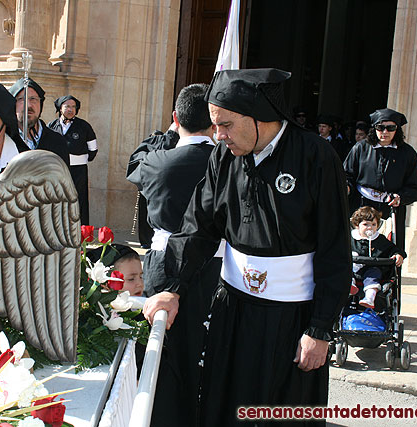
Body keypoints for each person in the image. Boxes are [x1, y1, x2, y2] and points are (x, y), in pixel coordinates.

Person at [142, 68, 351, 427]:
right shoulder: (224, 157)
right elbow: (198, 227)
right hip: (233, 309)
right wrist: (171, 289)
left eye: (225, 125)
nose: (218, 135)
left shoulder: (315, 156)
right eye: (214, 126)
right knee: (224, 406)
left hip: (292, 318)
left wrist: (319, 329)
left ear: (259, 116)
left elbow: (335, 247)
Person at [127, 83, 222, 426]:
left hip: (165, 263)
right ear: (214, 123)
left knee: (164, 349)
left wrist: (166, 134)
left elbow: (134, 163)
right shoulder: (225, 162)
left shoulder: (157, 161)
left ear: (176, 118)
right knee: (205, 345)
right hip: (216, 264)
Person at [344, 108, 417, 251]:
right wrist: (346, 187)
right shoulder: (360, 148)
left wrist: (401, 197)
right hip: (361, 205)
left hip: (390, 210)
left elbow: (415, 188)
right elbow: (346, 175)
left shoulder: (407, 153)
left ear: (397, 130)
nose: (385, 132)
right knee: (354, 249)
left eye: (390, 128)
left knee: (389, 251)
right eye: (380, 128)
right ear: (374, 129)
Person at [49, 95, 97, 225]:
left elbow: (93, 150)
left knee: (78, 200)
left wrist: (78, 160)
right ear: (60, 108)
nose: (70, 109)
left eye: (73, 107)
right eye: (67, 106)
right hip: (57, 170)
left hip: (78, 170)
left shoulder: (84, 126)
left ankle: (81, 234)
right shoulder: (51, 126)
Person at [350, 206, 406, 309]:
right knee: (345, 269)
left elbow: (392, 249)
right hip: (353, 269)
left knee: (374, 274)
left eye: (373, 224)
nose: (370, 228)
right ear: (357, 225)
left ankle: (369, 298)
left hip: (371, 270)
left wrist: (398, 254)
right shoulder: (351, 239)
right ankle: (350, 286)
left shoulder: (380, 240)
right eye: (366, 224)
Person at [8, 78, 70, 165]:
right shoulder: (4, 141)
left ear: (41, 104)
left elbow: (63, 177)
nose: (28, 105)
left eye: (33, 99)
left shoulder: (57, 142)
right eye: (21, 99)